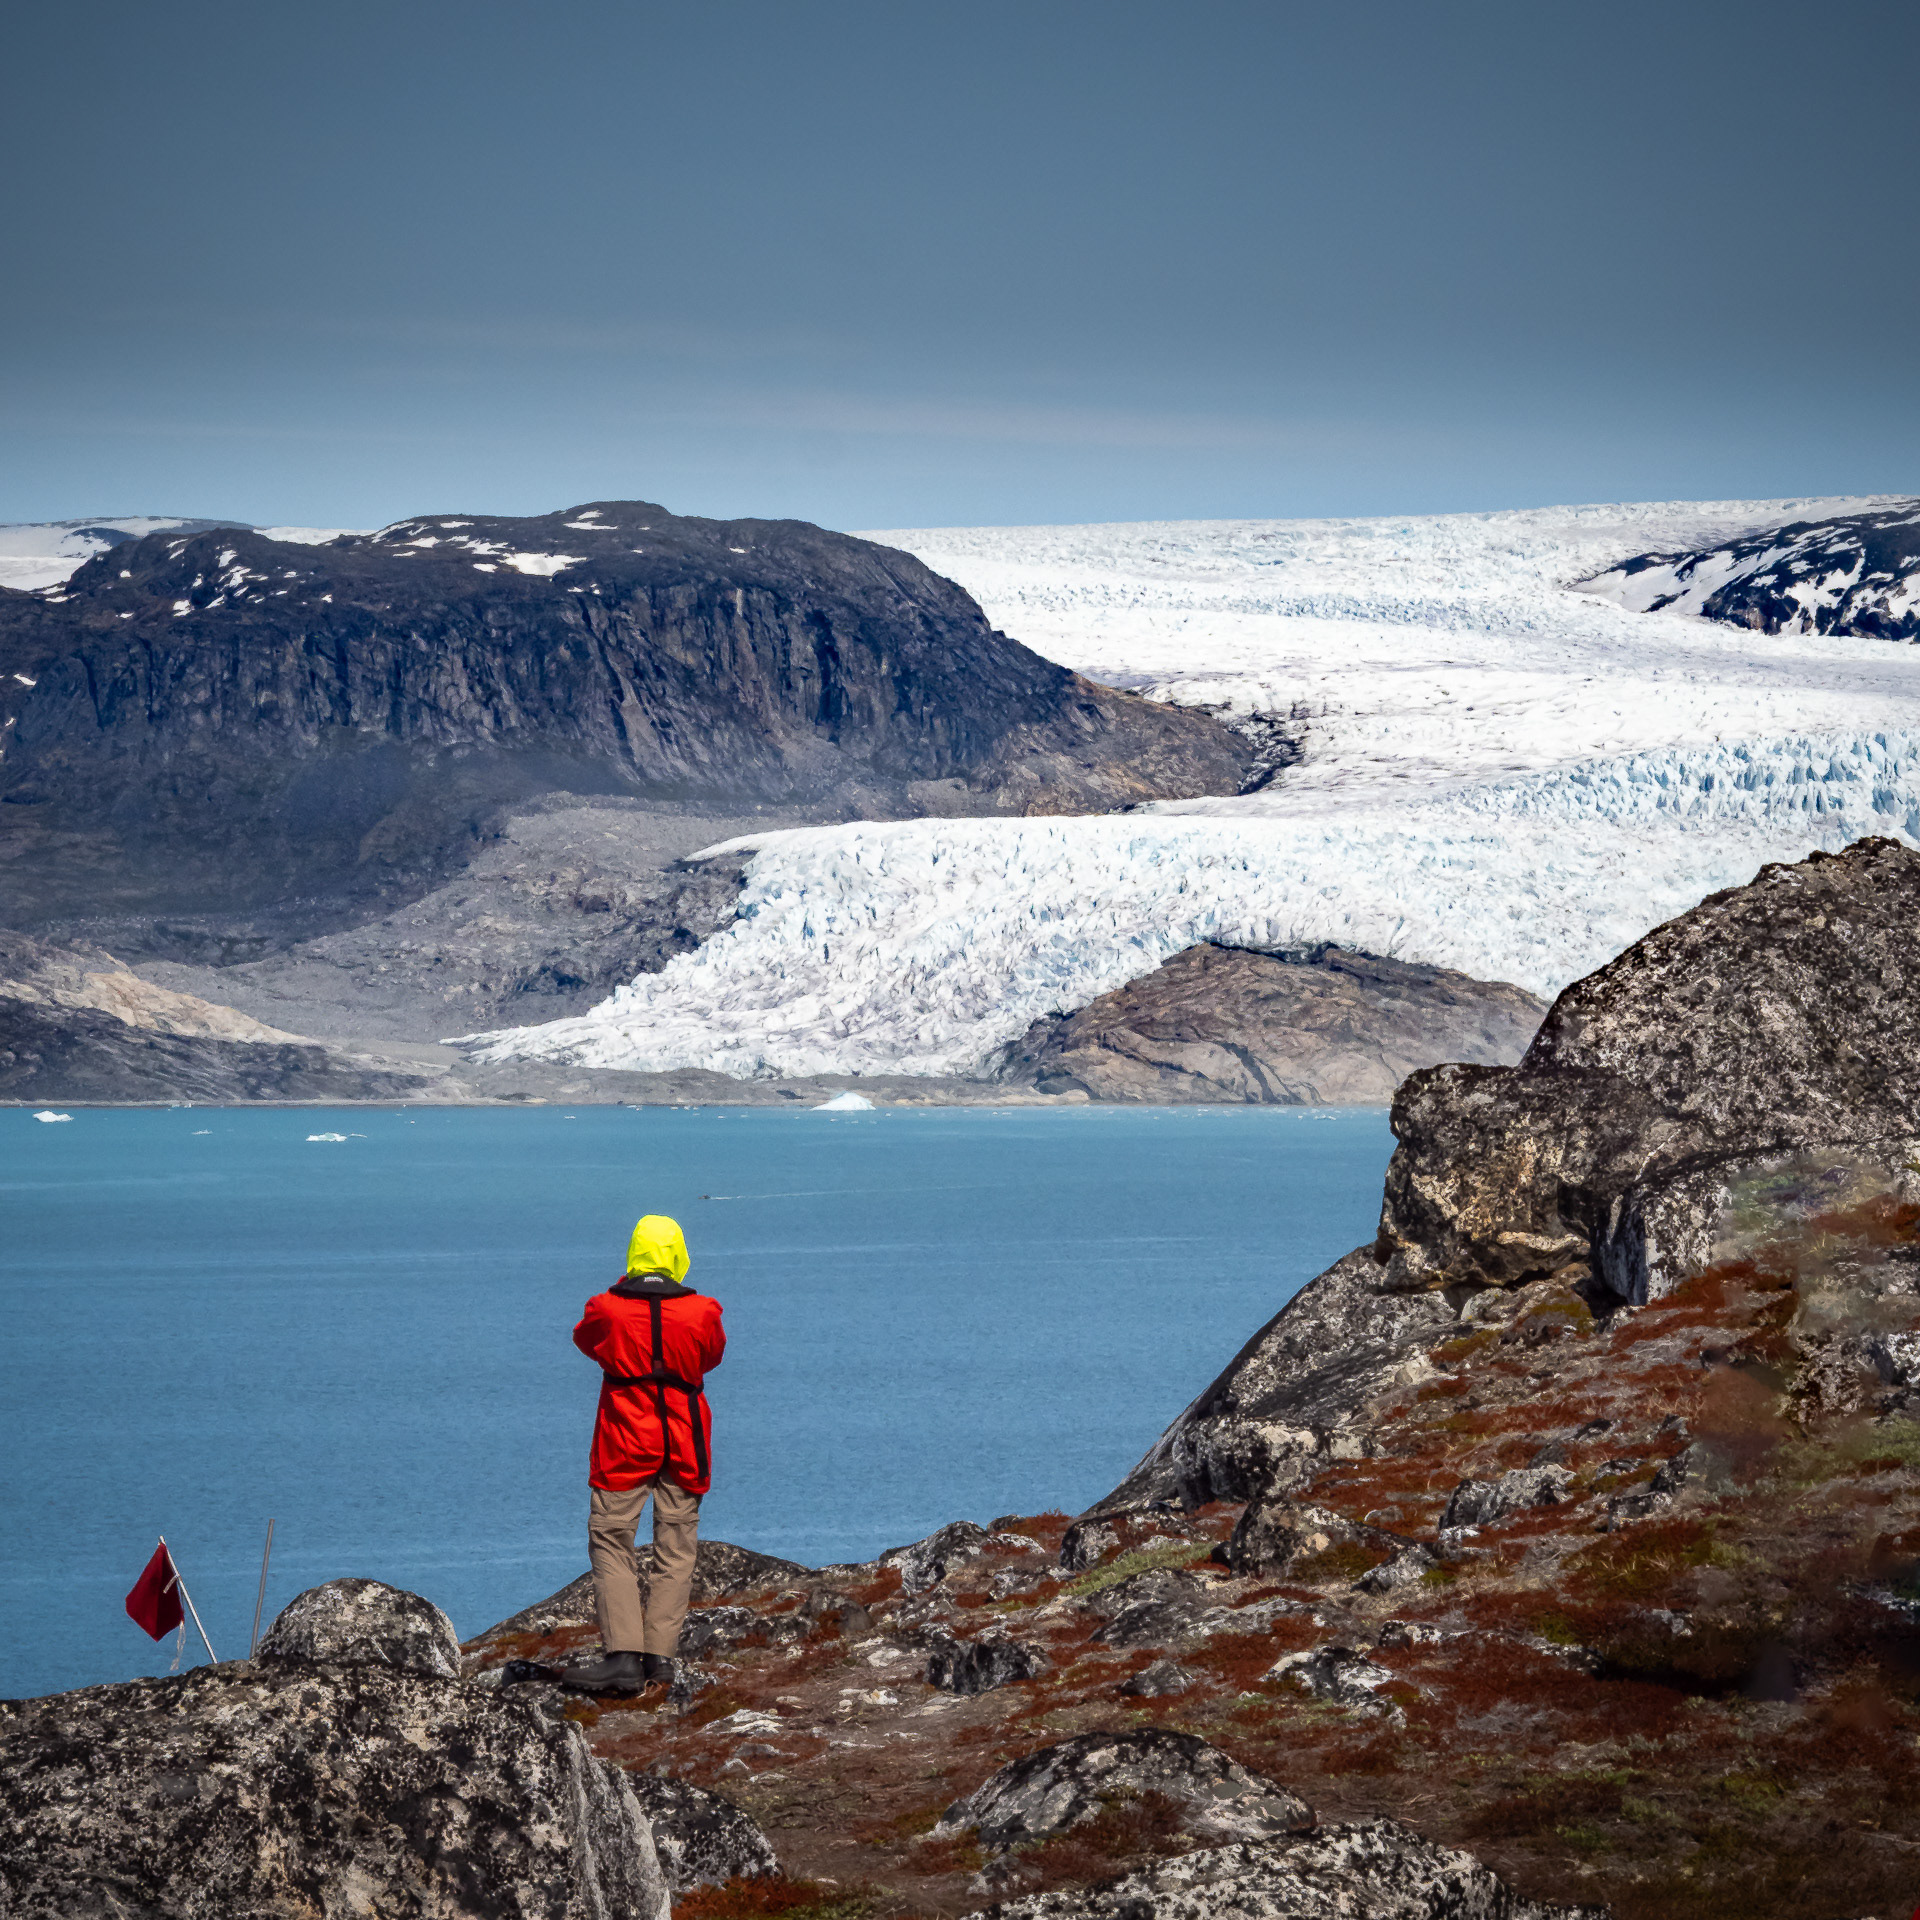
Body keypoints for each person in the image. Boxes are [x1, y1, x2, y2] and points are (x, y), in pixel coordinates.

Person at [562, 1213, 726, 1692]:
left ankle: (623, 1656)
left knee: (612, 1539)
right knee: (676, 1545)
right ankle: (661, 1657)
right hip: (684, 1438)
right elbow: (710, 1357)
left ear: (633, 1253)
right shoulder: (703, 1311)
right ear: (679, 1256)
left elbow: (586, 1340)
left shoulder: (606, 1307)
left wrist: (624, 1289)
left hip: (625, 1438)